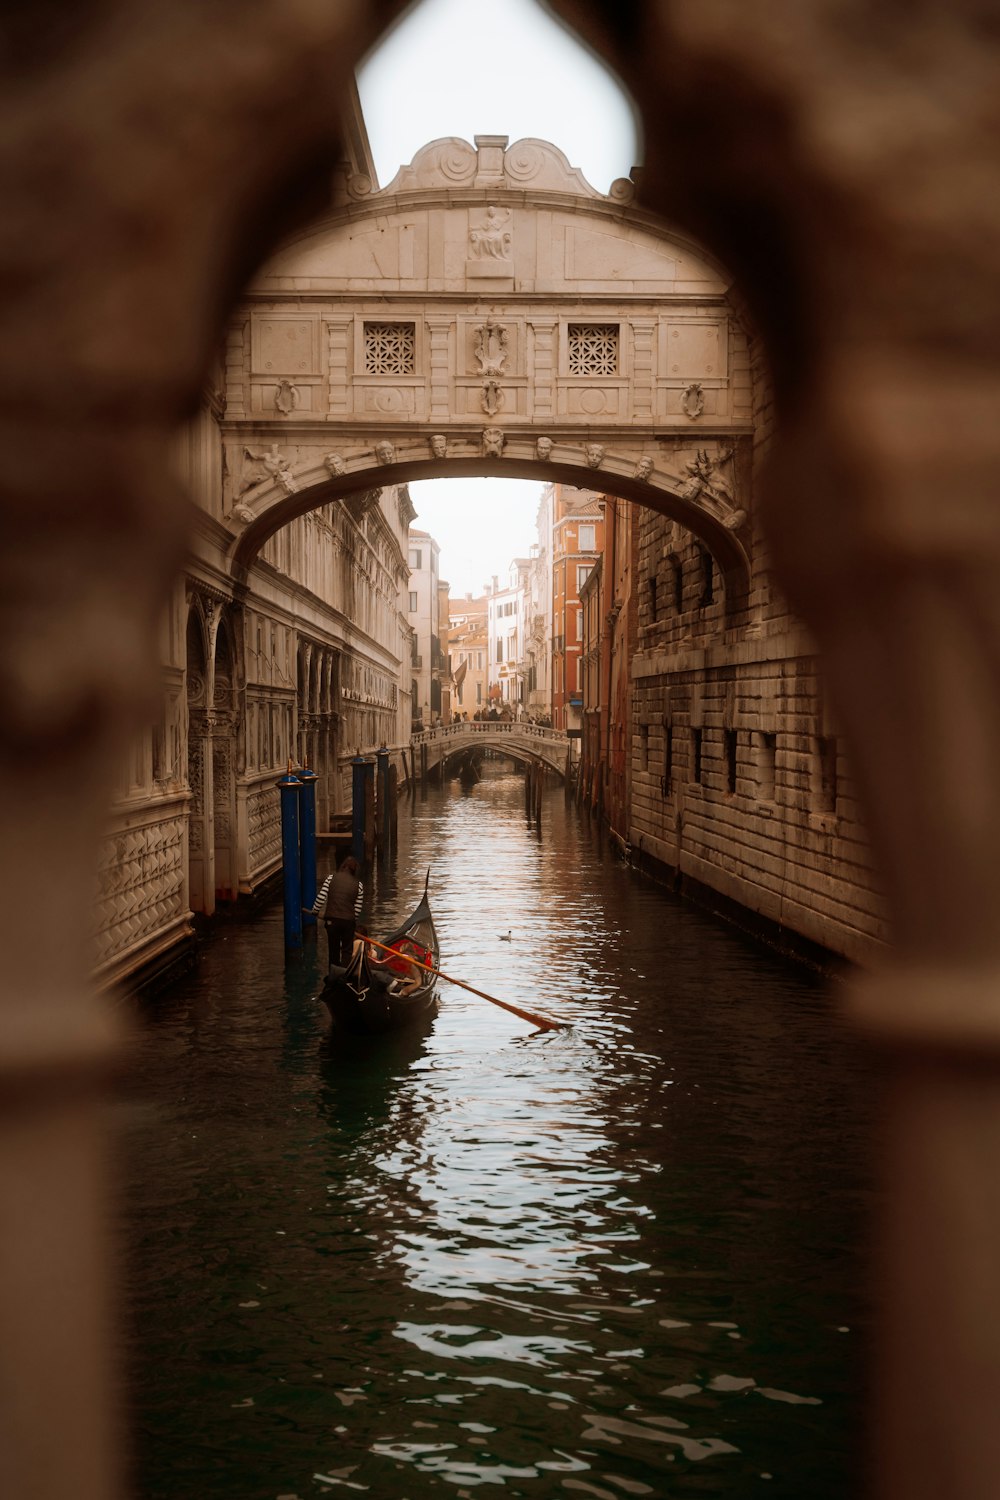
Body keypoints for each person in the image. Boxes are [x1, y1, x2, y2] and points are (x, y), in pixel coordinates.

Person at [307, 854, 361, 968]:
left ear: (343, 866)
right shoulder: (359, 885)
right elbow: (357, 910)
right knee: (347, 951)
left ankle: (333, 974)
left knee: (333, 950)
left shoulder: (331, 878)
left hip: (332, 921)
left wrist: (315, 911)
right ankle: (345, 975)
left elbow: (321, 897)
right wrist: (352, 923)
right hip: (348, 922)